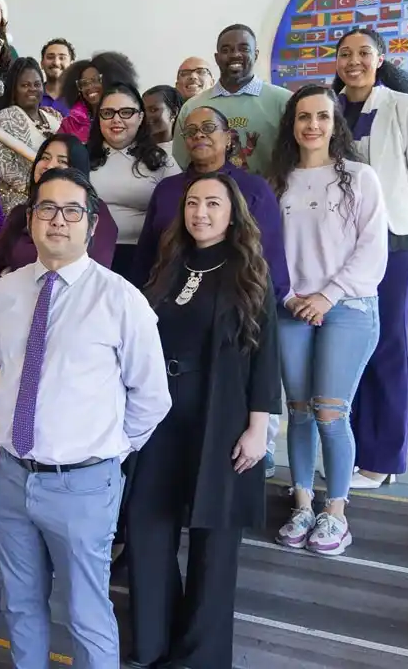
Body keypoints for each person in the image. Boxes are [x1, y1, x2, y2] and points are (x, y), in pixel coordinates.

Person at [0, 167, 172, 668]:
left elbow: (152, 396)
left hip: (84, 485)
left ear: (91, 224)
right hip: (12, 477)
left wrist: (107, 448)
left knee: (87, 614)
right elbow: (8, 366)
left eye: (73, 211)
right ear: (30, 221)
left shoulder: (121, 300)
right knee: (20, 605)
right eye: (47, 208)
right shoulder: (7, 292)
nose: (59, 221)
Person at [127, 173, 280, 668]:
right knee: (148, 528)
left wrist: (259, 427)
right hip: (160, 415)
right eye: (193, 203)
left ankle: (201, 656)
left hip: (222, 416)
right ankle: (154, 643)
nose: (200, 213)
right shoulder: (168, 264)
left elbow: (266, 355)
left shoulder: (247, 271)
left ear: (232, 212)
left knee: (215, 542)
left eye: (213, 203)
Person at [268, 85, 388, 555]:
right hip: (292, 308)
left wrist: (327, 295)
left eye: (322, 116)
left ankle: (335, 512)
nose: (312, 125)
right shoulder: (279, 181)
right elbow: (269, 252)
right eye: (303, 117)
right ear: (291, 125)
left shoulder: (360, 178)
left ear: (336, 123)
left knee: (330, 413)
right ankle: (301, 502)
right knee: (297, 410)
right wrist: (294, 297)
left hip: (348, 308)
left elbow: (371, 250)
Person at [331, 28, 408, 488]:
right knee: (347, 350)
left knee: (386, 346)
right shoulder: (330, 108)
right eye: (344, 54)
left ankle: (382, 461)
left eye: (363, 53)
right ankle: (352, 451)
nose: (353, 61)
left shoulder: (405, 107)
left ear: (380, 58)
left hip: (393, 244)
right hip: (340, 248)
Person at [136, 105, 289, 302]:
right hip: (168, 301)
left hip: (234, 302)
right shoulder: (167, 189)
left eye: (208, 128)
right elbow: (145, 255)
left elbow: (270, 256)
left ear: (228, 137)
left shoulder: (254, 189)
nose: (199, 135)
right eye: (190, 131)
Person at [0, 134, 117, 302]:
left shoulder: (92, 211)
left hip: (73, 309)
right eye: (45, 158)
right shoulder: (20, 214)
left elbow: (94, 271)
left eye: (62, 161)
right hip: (19, 309)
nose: (49, 165)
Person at [87, 82, 179, 278]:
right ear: (99, 118)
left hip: (143, 257)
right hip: (87, 255)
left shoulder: (161, 159)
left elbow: (176, 215)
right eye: (108, 113)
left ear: (140, 117)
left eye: (126, 112)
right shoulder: (80, 156)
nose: (116, 120)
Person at [173, 25, 292, 175]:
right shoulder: (192, 108)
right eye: (226, 50)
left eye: (244, 48)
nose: (235, 54)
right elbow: (182, 164)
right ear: (216, 58)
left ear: (255, 55)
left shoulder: (284, 101)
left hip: (267, 196)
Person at [0, 57, 63, 210]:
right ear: (14, 89)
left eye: (37, 84)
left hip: (60, 197)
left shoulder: (55, 116)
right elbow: (2, 165)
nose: (32, 89)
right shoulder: (5, 118)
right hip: (22, 205)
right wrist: (40, 189)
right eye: (25, 85)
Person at [57, 51, 139, 142]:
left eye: (96, 80)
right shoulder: (71, 123)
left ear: (112, 80)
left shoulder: (130, 117)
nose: (89, 87)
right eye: (84, 83)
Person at [40, 38, 75, 116]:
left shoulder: (81, 98)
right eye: (50, 57)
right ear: (42, 63)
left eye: (62, 58)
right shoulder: (32, 95)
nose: (56, 62)